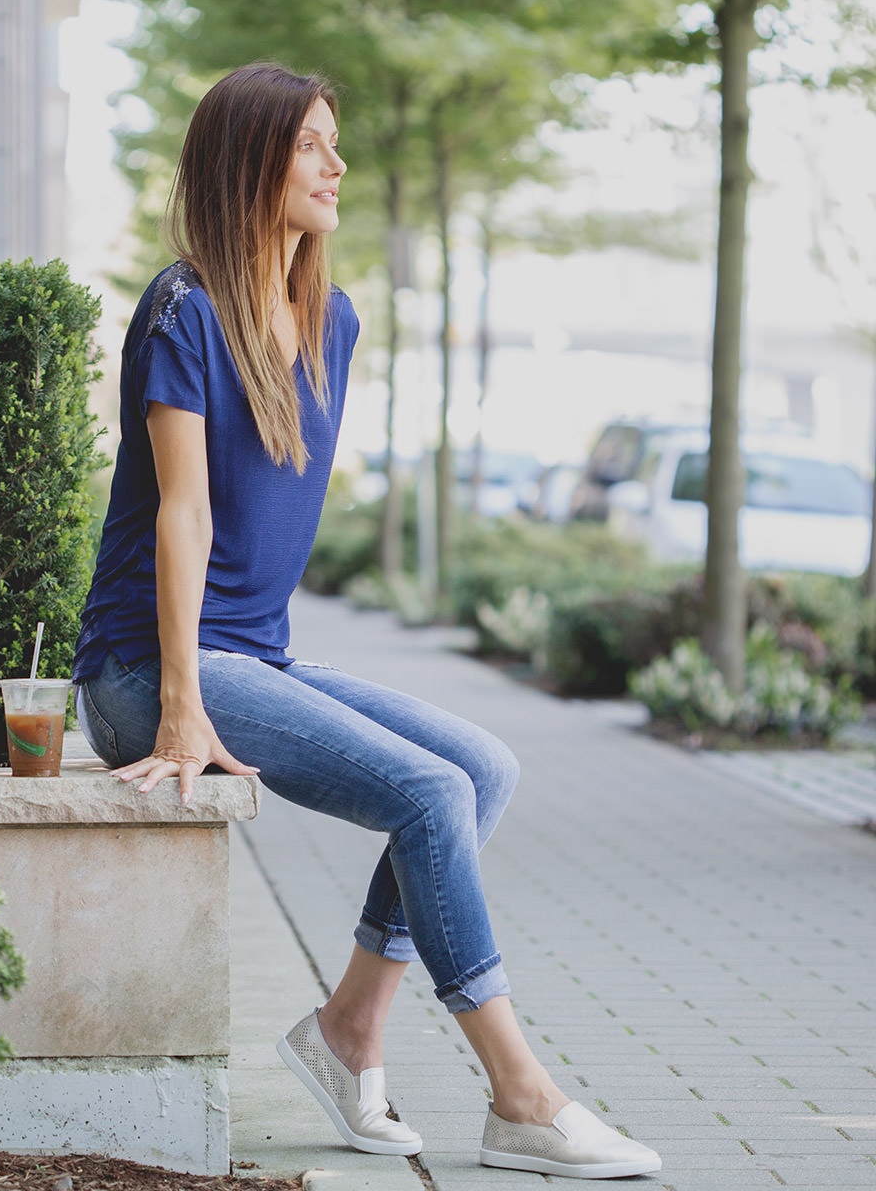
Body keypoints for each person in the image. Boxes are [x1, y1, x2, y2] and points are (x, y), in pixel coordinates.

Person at [72, 62, 661, 1181]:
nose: (337, 166)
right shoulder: (181, 309)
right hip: (148, 668)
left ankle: (348, 1030)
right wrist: (180, 709)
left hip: (255, 655)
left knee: (478, 765)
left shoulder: (328, 319)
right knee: (430, 791)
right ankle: (520, 1094)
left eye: (336, 143)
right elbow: (182, 517)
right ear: (248, 161)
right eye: (310, 146)